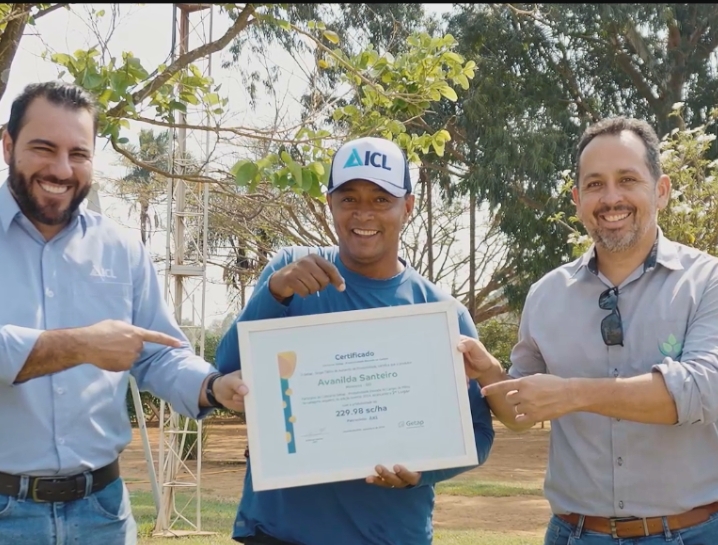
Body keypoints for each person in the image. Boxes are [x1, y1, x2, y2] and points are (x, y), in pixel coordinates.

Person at [460, 116, 718, 545]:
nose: (611, 198)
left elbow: (703, 391)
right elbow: (521, 412)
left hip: (693, 534)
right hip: (577, 534)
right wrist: (488, 373)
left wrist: (575, 393)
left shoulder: (711, 281)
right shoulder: (546, 295)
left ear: (661, 190)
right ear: (577, 200)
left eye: (627, 179)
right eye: (595, 185)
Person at [0, 81, 248, 545]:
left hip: (103, 513)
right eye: (43, 148)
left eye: (79, 153)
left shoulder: (120, 249)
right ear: (8, 144)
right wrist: (81, 345)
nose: (61, 168)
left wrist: (214, 387)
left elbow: (157, 354)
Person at [215, 135, 495, 545]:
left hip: (389, 535)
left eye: (382, 199)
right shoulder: (288, 274)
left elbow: (478, 432)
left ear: (408, 207)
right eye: (349, 199)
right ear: (330, 203)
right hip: (277, 533)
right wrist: (274, 293)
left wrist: (424, 472)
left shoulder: (441, 313)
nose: (364, 213)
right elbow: (226, 370)